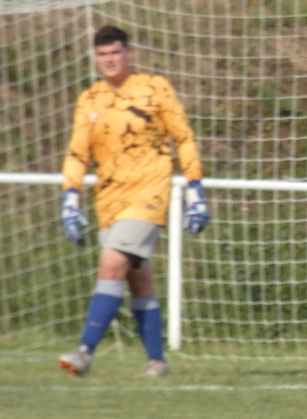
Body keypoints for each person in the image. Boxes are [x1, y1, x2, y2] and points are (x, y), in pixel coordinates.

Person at [57, 25, 208, 377]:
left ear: (128, 53)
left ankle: (84, 352)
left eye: (115, 52)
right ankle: (157, 361)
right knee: (137, 278)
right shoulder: (90, 99)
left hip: (149, 194)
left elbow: (183, 137)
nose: (109, 60)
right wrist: (70, 198)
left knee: (111, 262)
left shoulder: (154, 88)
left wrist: (195, 191)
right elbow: (77, 153)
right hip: (109, 201)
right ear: (95, 58)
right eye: (102, 54)